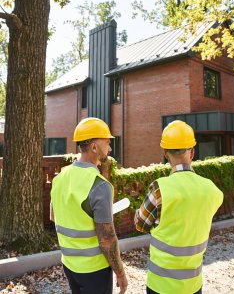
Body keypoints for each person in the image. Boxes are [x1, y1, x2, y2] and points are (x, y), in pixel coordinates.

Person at [134, 120, 224, 294]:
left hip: (160, 285)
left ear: (166, 153)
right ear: (192, 152)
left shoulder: (159, 189)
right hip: (193, 285)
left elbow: (140, 224)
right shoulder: (212, 190)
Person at [50, 117, 128, 294]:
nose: (109, 148)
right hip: (95, 270)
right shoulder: (100, 186)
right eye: (107, 143)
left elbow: (54, 216)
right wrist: (121, 274)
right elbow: (107, 240)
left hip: (69, 264)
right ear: (94, 147)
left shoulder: (60, 177)